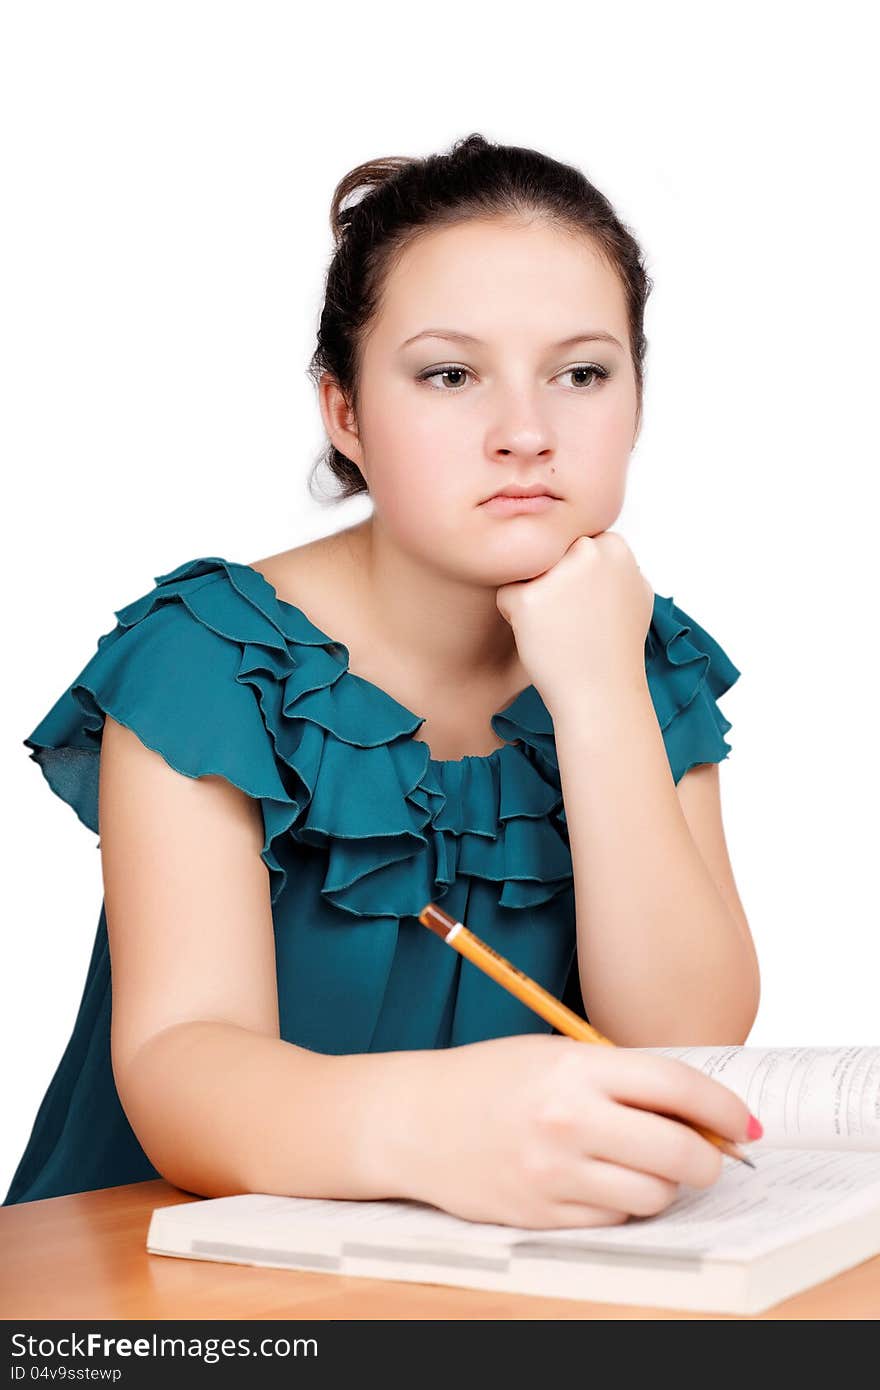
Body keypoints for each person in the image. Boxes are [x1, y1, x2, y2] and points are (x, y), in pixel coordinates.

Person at [3, 133, 761, 1226]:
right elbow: (180, 1064)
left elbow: (686, 1039)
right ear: (344, 413)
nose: (525, 434)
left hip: (511, 1280)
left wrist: (597, 694)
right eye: (449, 374)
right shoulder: (213, 654)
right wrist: (442, 1123)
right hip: (178, 1272)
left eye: (581, 373)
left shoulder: (642, 652)